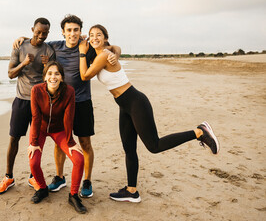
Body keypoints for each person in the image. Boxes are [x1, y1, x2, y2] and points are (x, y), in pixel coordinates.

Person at [78, 24, 220, 203]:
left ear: (105, 38)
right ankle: (131, 191)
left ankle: (199, 132)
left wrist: (83, 53)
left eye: (99, 34)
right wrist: (98, 48)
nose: (94, 37)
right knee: (129, 148)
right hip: (124, 105)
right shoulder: (104, 53)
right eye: (91, 35)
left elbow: (84, 76)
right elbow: (116, 48)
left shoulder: (105, 55)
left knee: (154, 146)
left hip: (136, 102)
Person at [14, 14, 121, 198]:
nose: (72, 33)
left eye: (76, 30)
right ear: (63, 32)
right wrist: (23, 39)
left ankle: (87, 181)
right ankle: (60, 176)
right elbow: (38, 41)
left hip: (82, 102)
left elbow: (113, 47)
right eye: (69, 30)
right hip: (61, 104)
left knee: (85, 143)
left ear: (81, 32)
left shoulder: (87, 47)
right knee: (60, 142)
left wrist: (114, 52)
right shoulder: (55, 46)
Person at [0, 18, 56, 194]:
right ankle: (8, 177)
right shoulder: (20, 47)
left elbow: (52, 78)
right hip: (21, 100)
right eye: (38, 32)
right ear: (32, 29)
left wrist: (46, 66)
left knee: (35, 141)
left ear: (48, 33)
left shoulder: (49, 51)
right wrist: (24, 63)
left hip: (40, 102)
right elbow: (10, 74)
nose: (41, 35)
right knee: (14, 138)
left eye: (45, 33)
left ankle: (33, 177)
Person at [28, 61, 86, 214]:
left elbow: (69, 117)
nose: (53, 77)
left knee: (79, 159)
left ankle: (73, 195)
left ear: (61, 77)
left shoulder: (69, 91)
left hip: (59, 130)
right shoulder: (36, 90)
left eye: (57, 74)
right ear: (45, 77)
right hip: (40, 129)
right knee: (33, 161)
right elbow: (35, 117)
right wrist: (34, 142)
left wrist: (71, 141)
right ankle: (42, 189)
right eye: (50, 74)